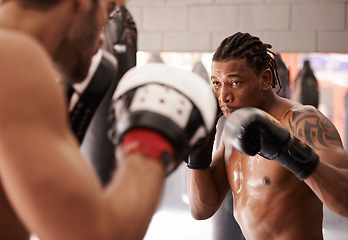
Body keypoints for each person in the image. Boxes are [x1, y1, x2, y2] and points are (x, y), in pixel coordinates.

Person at [0, 1, 217, 240]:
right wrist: (150, 141)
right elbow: (93, 235)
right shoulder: (12, 57)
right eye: (109, 10)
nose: (104, 36)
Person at [186, 32, 348, 240]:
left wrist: (290, 152)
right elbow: (201, 210)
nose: (223, 96)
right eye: (216, 83)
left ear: (266, 79)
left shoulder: (301, 122)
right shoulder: (232, 130)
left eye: (234, 83)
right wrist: (199, 146)